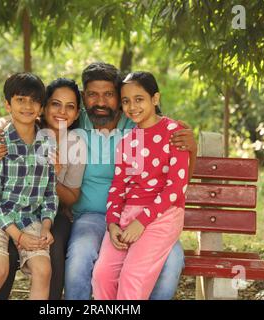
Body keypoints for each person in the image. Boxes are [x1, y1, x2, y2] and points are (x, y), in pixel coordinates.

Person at [64, 62, 197, 300]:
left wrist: (192, 148)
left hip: (152, 217)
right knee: (84, 260)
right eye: (93, 95)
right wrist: (0, 128)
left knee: (172, 261)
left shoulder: (135, 124)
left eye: (109, 95)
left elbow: (176, 184)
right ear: (84, 97)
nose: (101, 102)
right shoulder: (75, 120)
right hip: (97, 217)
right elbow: (33, 120)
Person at [0, 78, 87, 299]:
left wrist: (46, 225)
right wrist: (18, 235)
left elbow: (49, 196)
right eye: (20, 101)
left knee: (44, 270)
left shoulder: (48, 145)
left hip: (30, 217)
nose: (27, 106)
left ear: (40, 106)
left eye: (33, 101)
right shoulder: (1, 142)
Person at [92, 71, 189, 299]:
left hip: (162, 214)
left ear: (155, 99)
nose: (132, 106)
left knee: (132, 277)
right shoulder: (127, 141)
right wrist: (113, 223)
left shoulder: (174, 133)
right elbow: (118, 187)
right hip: (127, 215)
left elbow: (176, 188)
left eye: (139, 99)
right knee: (102, 275)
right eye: (126, 101)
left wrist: (141, 222)